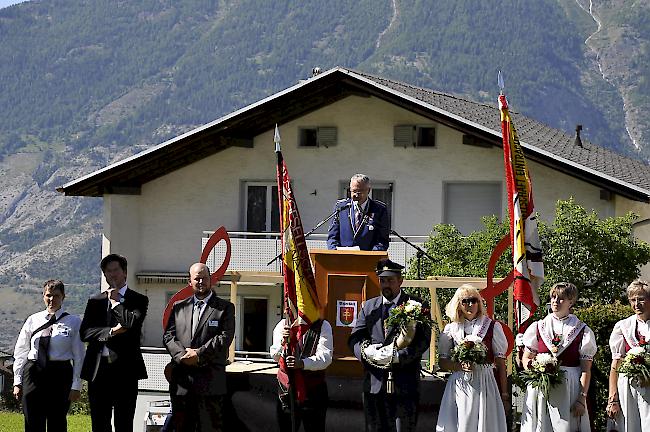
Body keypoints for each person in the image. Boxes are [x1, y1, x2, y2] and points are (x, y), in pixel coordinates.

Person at [348, 258, 431, 432]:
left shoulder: (416, 305)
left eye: (391, 280)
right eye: (382, 280)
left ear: (400, 281)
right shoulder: (369, 306)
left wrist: (399, 356)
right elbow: (355, 338)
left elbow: (423, 341)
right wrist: (366, 352)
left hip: (405, 383)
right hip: (375, 383)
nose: (386, 285)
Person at [163, 262, 235, 431]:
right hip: (182, 384)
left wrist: (199, 354)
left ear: (210, 280)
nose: (201, 282)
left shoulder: (225, 308)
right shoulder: (179, 307)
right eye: (197, 278)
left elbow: (224, 337)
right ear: (190, 282)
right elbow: (168, 336)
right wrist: (181, 356)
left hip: (210, 384)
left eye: (204, 278)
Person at [80, 253, 149, 432]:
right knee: (99, 423)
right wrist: (111, 331)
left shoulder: (139, 300)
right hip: (98, 369)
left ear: (125, 272)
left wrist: (116, 302)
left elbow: (130, 324)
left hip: (125, 371)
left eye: (116, 270)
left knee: (124, 422)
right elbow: (85, 332)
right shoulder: (95, 301)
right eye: (108, 272)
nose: (113, 275)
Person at [520, 282, 597, 432]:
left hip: (570, 386)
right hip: (542, 386)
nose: (555, 301)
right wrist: (536, 368)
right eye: (553, 297)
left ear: (571, 302)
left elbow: (586, 369)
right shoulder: (539, 326)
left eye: (561, 298)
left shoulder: (582, 330)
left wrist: (581, 399)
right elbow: (526, 358)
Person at [13, 279, 85, 432]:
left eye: (56, 296)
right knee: (32, 420)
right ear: (43, 296)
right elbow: (21, 351)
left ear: (63, 297)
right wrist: (17, 381)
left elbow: (79, 356)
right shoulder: (33, 320)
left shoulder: (73, 322)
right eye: (48, 295)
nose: (52, 299)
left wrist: (76, 385)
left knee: (57, 420)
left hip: (60, 374)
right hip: (33, 372)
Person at [435, 284, 508, 432]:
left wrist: (505, 394)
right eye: (465, 301)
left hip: (485, 381)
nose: (470, 304)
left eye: (474, 300)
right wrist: (458, 366)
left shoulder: (492, 326)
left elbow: (500, 363)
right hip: (460, 383)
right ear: (459, 304)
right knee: (462, 421)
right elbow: (442, 363)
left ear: (479, 303)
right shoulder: (451, 329)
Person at [269, 316, 333, 432]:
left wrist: (303, 363)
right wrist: (283, 342)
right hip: (286, 390)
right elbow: (275, 355)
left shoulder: (322, 325)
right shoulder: (283, 325)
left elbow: (326, 358)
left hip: (314, 389)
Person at [606, 279, 650, 431]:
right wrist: (613, 399)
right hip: (627, 388)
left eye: (641, 299)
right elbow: (615, 365)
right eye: (633, 300)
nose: (636, 304)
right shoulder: (623, 326)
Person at [327, 174, 390, 251]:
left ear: (368, 190)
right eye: (354, 191)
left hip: (368, 260)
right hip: (342, 259)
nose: (356, 195)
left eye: (360, 192)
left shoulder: (379, 209)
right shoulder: (341, 207)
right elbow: (332, 237)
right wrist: (334, 251)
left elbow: (382, 241)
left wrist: (370, 255)